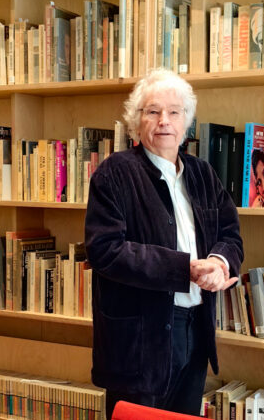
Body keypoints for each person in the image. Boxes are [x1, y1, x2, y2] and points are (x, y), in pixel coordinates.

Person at [84, 68, 244, 418]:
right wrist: (184, 269)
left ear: (186, 121)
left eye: (174, 112)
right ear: (136, 120)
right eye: (153, 111)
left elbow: (230, 235)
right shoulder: (114, 173)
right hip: (139, 339)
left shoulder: (203, 174)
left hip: (195, 329)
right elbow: (105, 250)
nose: (164, 121)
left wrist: (218, 263)